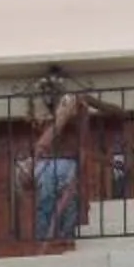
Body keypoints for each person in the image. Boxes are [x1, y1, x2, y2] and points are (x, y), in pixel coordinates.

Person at [28, 89, 91, 245]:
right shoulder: (45, 115)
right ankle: (46, 236)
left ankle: (65, 236)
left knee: (68, 201)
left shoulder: (73, 111)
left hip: (65, 160)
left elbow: (81, 140)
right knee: (46, 199)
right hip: (48, 161)